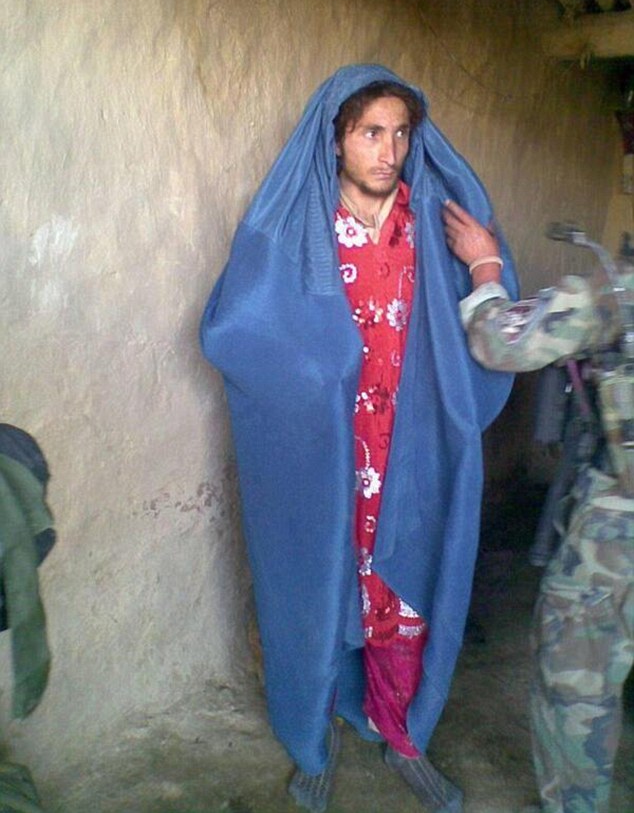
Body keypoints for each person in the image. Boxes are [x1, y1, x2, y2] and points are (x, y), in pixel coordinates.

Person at [200, 64, 518, 812]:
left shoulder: (426, 223)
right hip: (326, 457)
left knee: (401, 597)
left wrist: (486, 263)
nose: (389, 150)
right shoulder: (298, 227)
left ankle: (403, 733)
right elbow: (235, 326)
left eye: (401, 134)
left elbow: (479, 334)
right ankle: (313, 737)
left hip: (405, 452)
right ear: (337, 139)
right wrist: (315, 376)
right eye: (371, 132)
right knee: (317, 591)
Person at [444, 207, 634, 813]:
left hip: (621, 524)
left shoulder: (616, 295)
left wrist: (483, 266)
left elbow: (501, 341)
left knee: (576, 665)